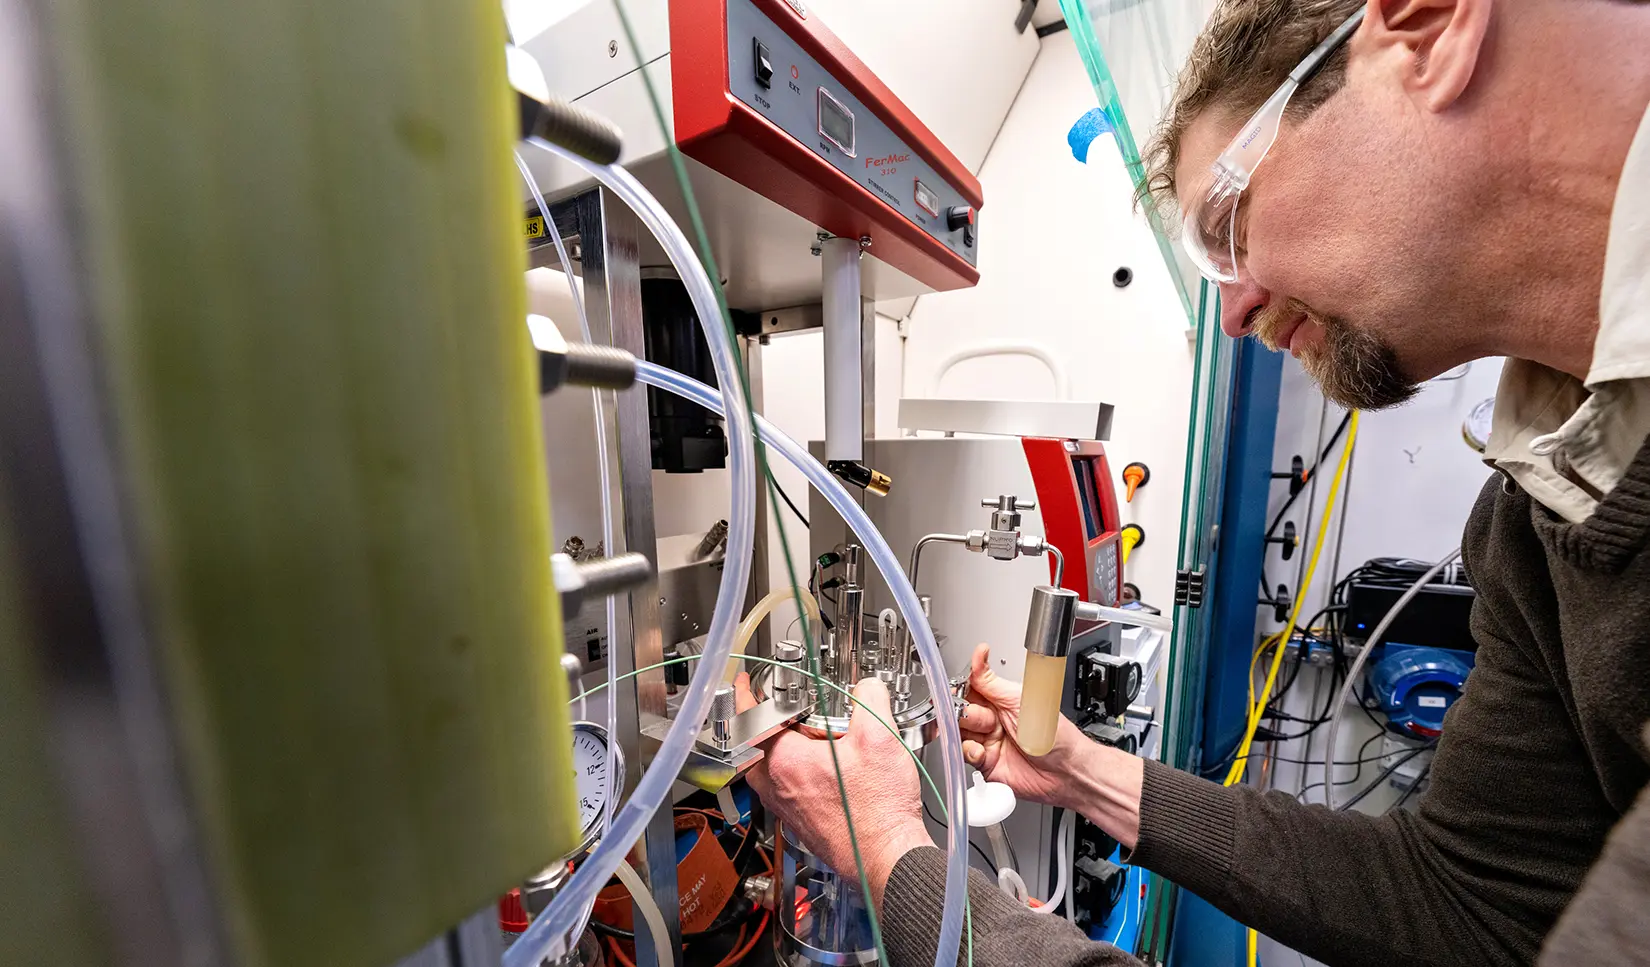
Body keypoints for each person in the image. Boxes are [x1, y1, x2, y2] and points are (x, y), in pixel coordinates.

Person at [744, 0, 1650, 962]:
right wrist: (1087, 774)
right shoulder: (1541, 507)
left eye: (1229, 223)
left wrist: (889, 849)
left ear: (1427, 26)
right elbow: (1465, 899)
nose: (1233, 313)